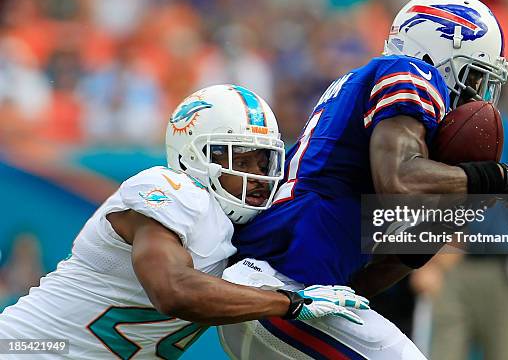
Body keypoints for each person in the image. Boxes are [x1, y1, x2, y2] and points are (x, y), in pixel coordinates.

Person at [218, 0, 508, 359]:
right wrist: (488, 178)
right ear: (441, 54)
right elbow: (399, 180)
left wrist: (452, 210)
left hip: (296, 292)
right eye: (475, 77)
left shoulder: (373, 103)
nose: (477, 96)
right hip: (280, 287)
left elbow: (371, 278)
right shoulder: (411, 72)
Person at [0, 84, 369, 359]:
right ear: (193, 154)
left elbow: (351, 261)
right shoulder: (168, 188)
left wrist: (419, 230)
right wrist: (288, 302)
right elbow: (172, 290)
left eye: (263, 163)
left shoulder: (249, 228)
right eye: (239, 161)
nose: (256, 177)